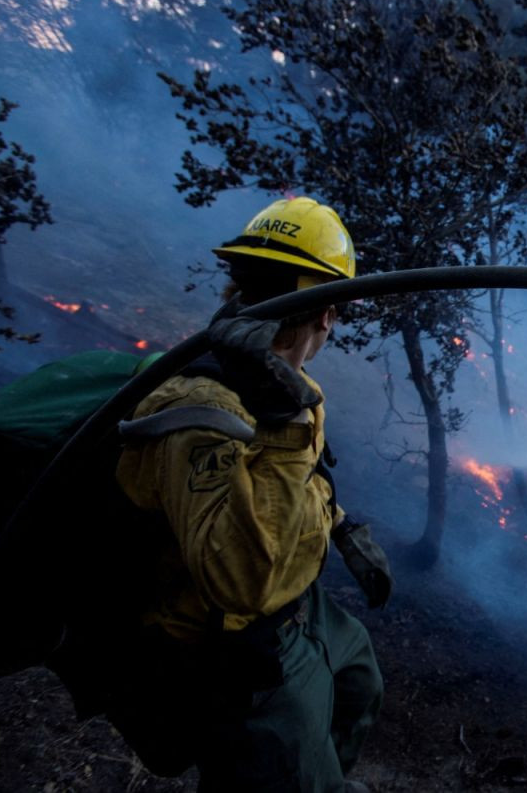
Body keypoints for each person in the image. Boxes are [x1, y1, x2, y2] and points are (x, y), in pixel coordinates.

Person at [110, 197, 391, 791]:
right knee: (278, 764)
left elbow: (295, 477)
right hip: (238, 649)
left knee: (360, 682)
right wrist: (285, 426)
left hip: (299, 604)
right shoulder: (197, 409)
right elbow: (237, 583)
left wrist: (340, 526)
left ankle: (325, 775)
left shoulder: (288, 385)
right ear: (328, 313)